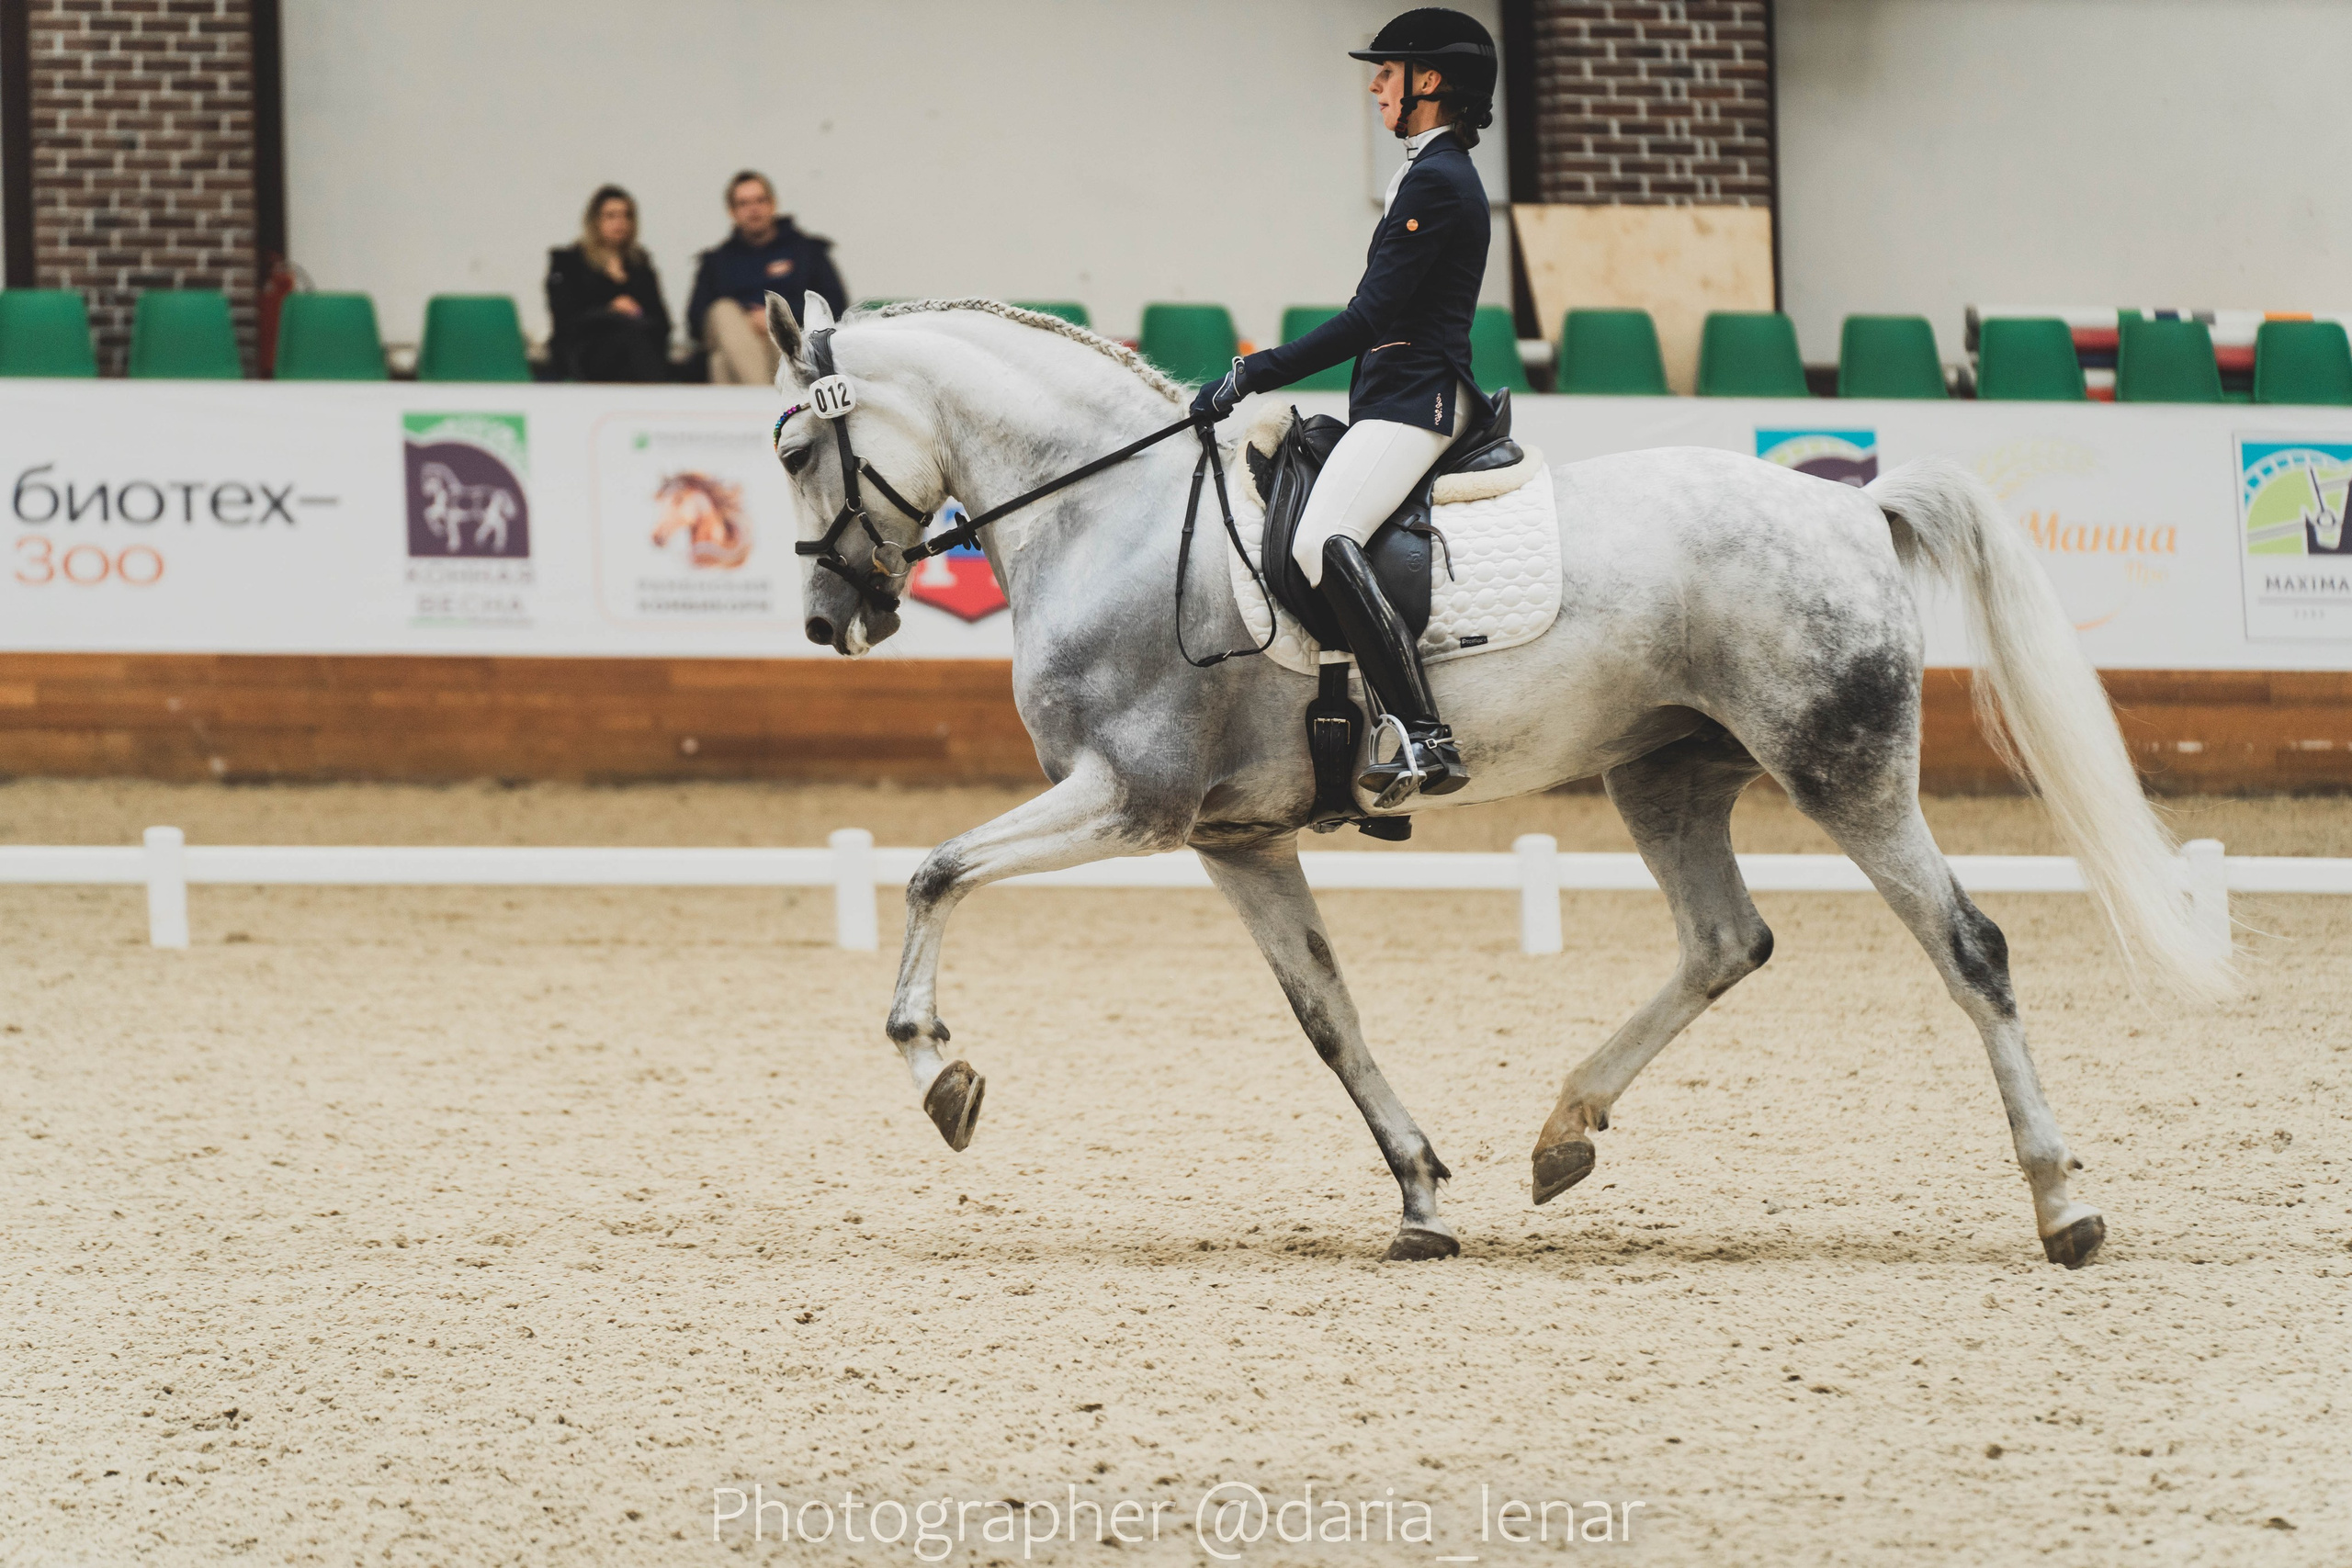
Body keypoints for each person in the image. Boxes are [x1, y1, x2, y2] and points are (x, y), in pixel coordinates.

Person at [1191, 7, 1498, 807]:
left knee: (1324, 539)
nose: (1375, 85)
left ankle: (1424, 736)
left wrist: (1253, 373)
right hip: (1397, 392)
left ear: (1428, 81)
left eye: (1387, 73)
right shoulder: (1431, 171)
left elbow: (1369, 320)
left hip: (1417, 395)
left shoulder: (1436, 178)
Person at [685, 171, 849, 384]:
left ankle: (756, 405)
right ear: (732, 211)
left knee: (721, 361)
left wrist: (774, 318)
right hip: (736, 338)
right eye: (743, 203)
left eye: (760, 200)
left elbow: (835, 305)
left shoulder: (806, 252)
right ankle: (764, 400)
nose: (753, 209)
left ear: (773, 204)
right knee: (723, 311)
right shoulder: (716, 262)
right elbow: (695, 321)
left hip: (791, 346)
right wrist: (745, 322)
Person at [545, 186, 673, 383]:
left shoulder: (640, 265)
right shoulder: (569, 262)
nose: (620, 223)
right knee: (631, 338)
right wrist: (611, 311)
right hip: (588, 352)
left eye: (626, 216)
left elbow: (662, 321)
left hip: (637, 350)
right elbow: (566, 318)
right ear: (595, 221)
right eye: (611, 216)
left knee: (639, 341)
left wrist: (634, 309)